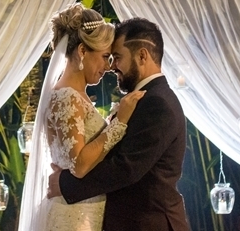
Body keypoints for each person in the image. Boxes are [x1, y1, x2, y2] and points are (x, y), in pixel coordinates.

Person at [48, 17, 191, 231]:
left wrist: (65, 184)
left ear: (142, 56)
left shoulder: (157, 103)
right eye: (108, 57)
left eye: (116, 57)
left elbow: (126, 168)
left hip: (149, 224)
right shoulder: (146, 98)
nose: (112, 67)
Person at [19, 5, 144, 231]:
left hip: (83, 209)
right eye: (105, 57)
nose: (108, 67)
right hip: (75, 216)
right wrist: (119, 123)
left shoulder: (75, 95)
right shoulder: (67, 97)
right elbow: (79, 165)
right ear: (82, 52)